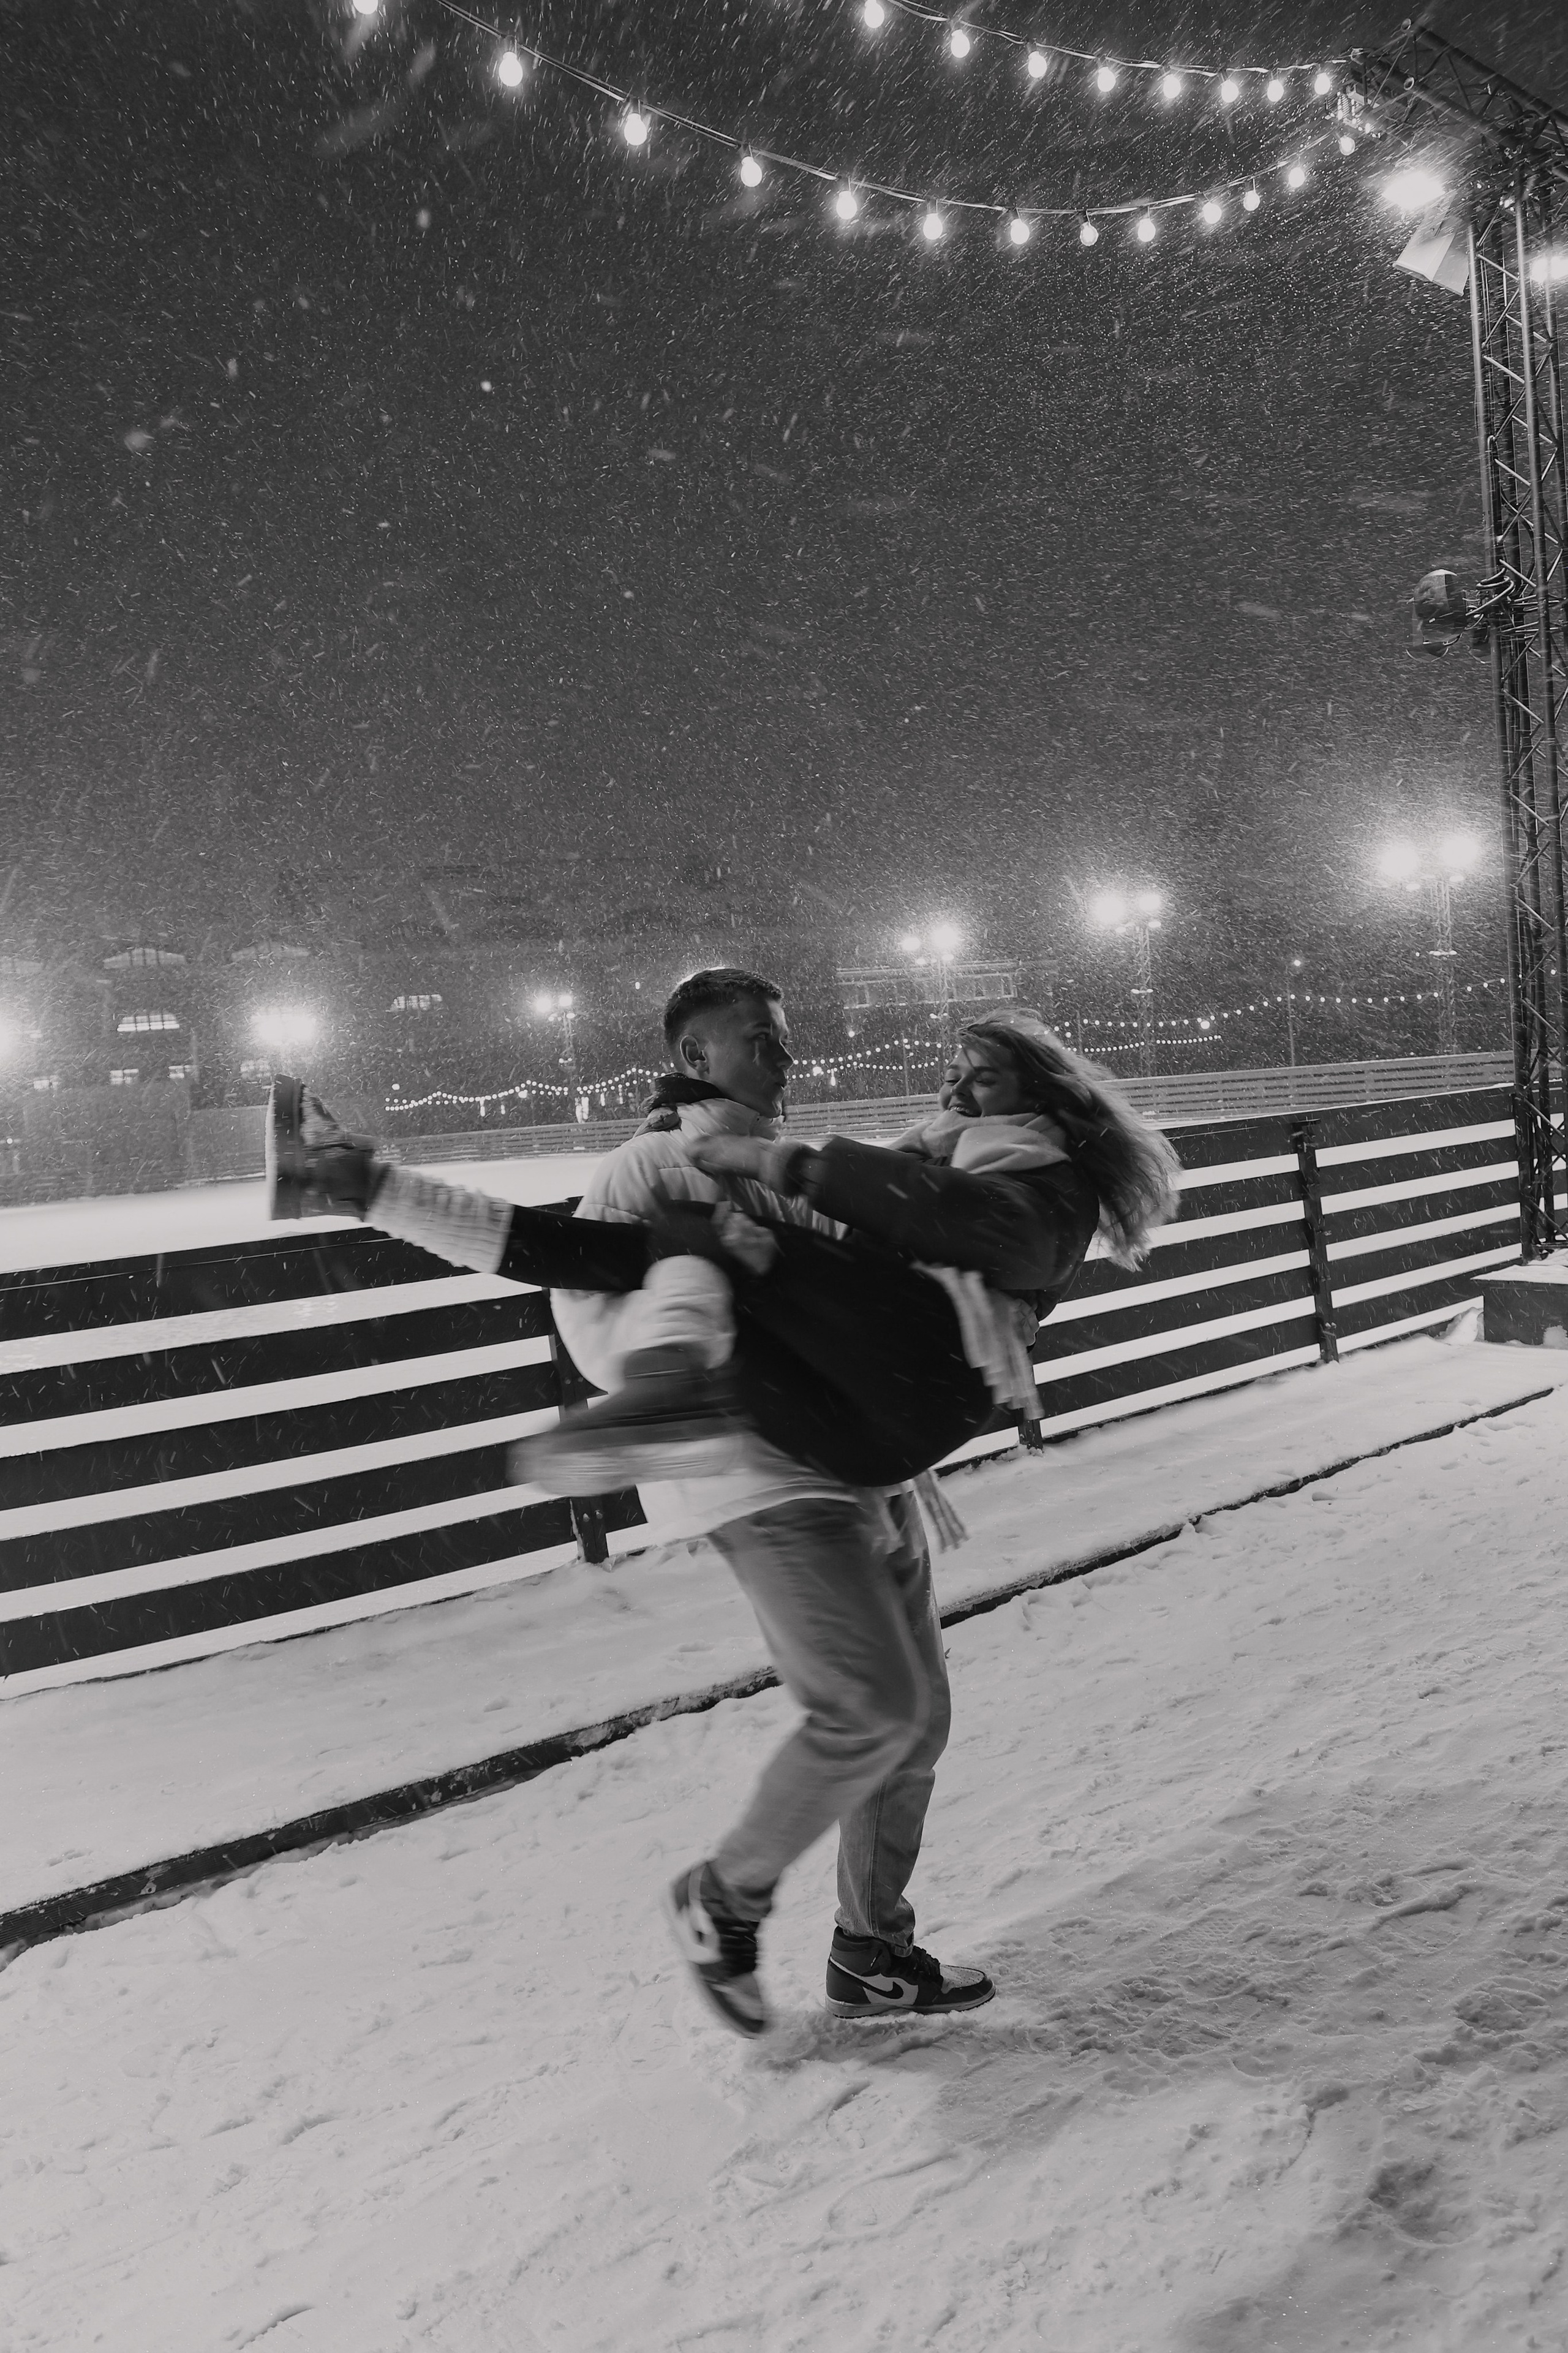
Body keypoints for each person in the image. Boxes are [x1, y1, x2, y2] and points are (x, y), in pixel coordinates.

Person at [266, 970, 1178, 2038]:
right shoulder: (654, 1162)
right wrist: (377, 1189)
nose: (786, 1058)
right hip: (765, 1466)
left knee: (913, 1718)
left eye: (786, 1040)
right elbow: (560, 1264)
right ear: (697, 1057)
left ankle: (871, 1948)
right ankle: (725, 1902)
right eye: (760, 1041)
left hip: (862, 1459)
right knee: (868, 1710)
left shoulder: (795, 1161)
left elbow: (905, 1254)